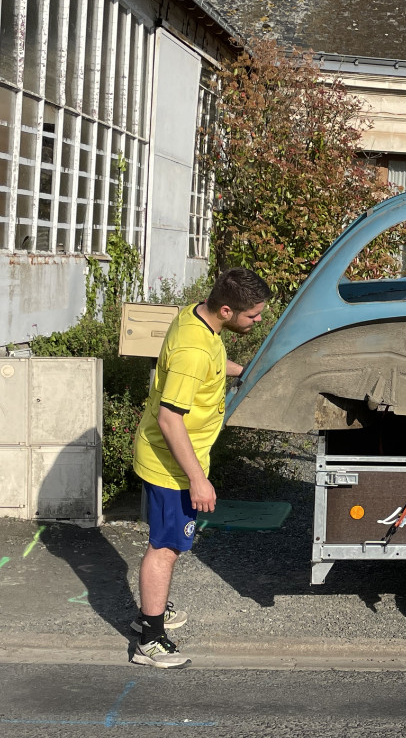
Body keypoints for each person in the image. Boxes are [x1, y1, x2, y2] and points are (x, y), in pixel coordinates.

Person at [130, 268, 271, 668]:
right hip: (171, 466)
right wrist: (198, 480)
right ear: (226, 310)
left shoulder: (199, 316)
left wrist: (243, 371)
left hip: (175, 459)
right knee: (166, 548)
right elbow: (169, 418)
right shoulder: (193, 350)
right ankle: (149, 639)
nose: (258, 320)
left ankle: (153, 608)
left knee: (167, 544)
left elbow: (211, 362)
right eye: (253, 315)